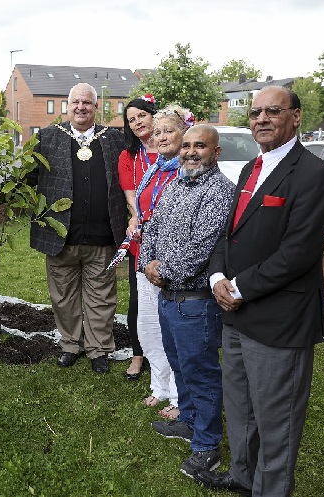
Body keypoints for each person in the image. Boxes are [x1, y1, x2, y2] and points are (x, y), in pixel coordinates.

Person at [198, 87, 324, 497]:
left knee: (277, 423)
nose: (260, 118)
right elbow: (229, 234)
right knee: (240, 411)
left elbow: (298, 254)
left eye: (272, 111)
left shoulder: (314, 174)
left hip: (279, 321)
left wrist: (239, 287)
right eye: (255, 112)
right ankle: (243, 478)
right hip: (235, 314)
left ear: (295, 116)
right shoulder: (248, 171)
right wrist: (217, 276)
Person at [139, 124, 234, 480]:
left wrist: (165, 271)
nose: (191, 152)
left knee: (202, 374)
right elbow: (153, 227)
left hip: (195, 303)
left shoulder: (220, 191)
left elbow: (202, 246)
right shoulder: (175, 183)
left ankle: (207, 446)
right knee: (180, 365)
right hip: (168, 298)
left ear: (216, 152)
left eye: (201, 146)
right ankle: (189, 422)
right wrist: (147, 262)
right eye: (188, 145)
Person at [28, 82, 128, 374]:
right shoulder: (46, 138)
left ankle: (99, 349)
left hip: (103, 235)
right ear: (67, 106)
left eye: (87, 102)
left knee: (102, 296)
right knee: (64, 296)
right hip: (61, 236)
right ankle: (71, 344)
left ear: (96, 108)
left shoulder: (114, 139)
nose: (81, 107)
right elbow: (27, 177)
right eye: (76, 102)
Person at [123, 104, 185, 420]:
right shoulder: (156, 168)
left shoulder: (186, 171)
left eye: (168, 130)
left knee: (172, 331)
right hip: (144, 258)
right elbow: (144, 210)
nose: (161, 136)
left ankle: (178, 395)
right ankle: (159, 387)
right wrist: (135, 222)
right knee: (148, 327)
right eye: (158, 131)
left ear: (184, 133)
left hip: (168, 265)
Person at [117, 95, 157, 384]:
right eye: (131, 120)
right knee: (138, 299)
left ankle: (165, 354)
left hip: (172, 234)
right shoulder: (128, 157)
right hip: (142, 234)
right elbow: (132, 197)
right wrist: (136, 217)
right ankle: (138, 355)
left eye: (141, 115)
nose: (137, 122)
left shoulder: (174, 150)